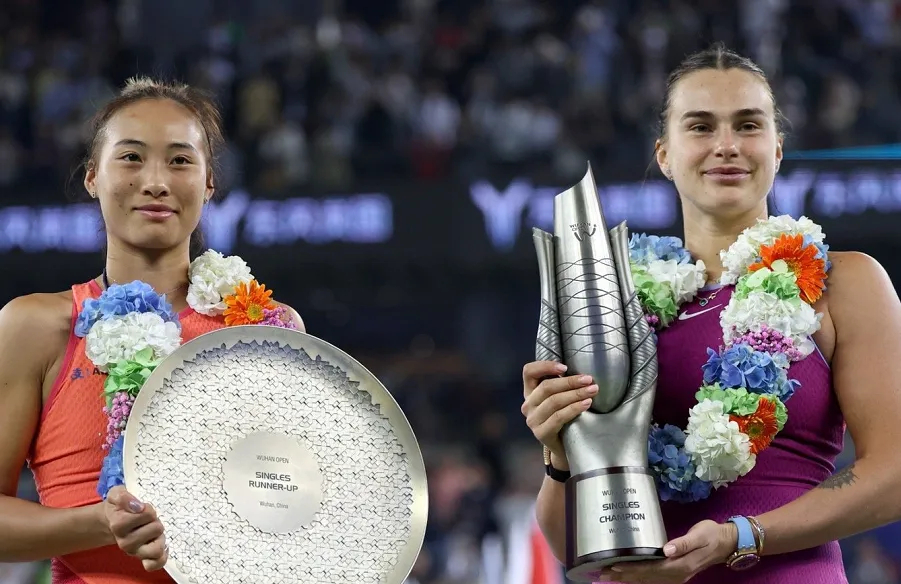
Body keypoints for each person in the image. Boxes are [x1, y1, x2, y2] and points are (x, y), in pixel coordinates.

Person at [521, 43, 901, 583]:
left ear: (777, 149)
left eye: (748, 125)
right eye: (700, 127)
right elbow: (572, 548)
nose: (726, 145)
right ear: (664, 155)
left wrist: (739, 537)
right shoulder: (611, 310)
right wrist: (559, 456)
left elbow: (893, 476)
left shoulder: (845, 282)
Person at [0, 77, 304, 583]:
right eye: (131, 157)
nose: (156, 181)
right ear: (93, 177)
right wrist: (100, 524)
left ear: (209, 184)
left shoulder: (268, 329)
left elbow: (298, 501)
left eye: (180, 160)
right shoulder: (35, 326)